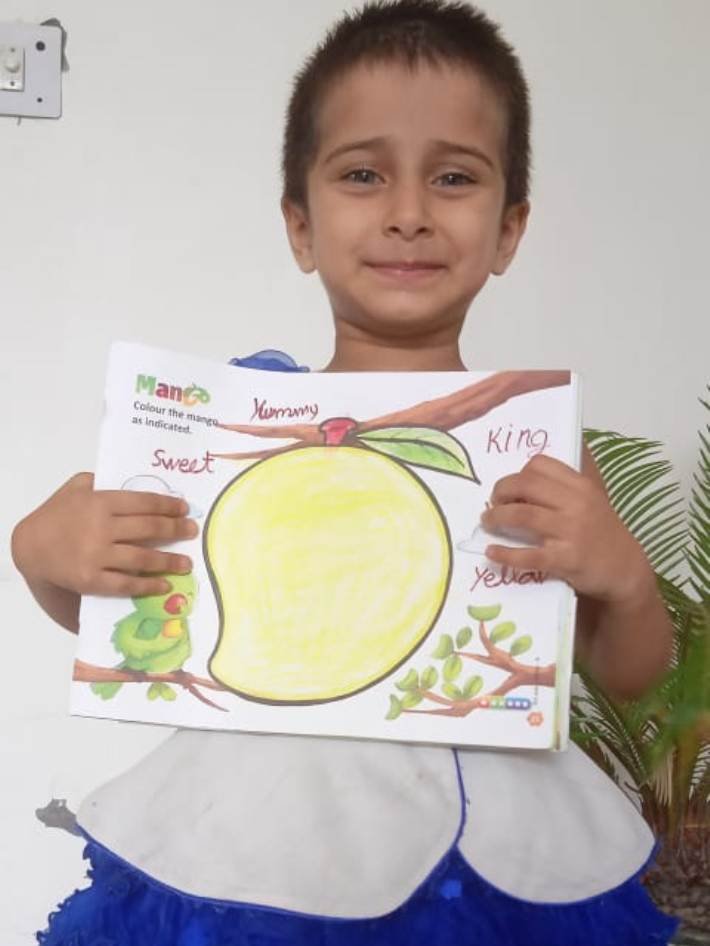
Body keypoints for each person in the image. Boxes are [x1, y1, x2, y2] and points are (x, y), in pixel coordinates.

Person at [12, 2, 679, 943]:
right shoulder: (224, 431)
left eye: (454, 177)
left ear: (508, 230)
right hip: (255, 857)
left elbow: (631, 674)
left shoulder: (540, 454)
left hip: (499, 871)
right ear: (301, 224)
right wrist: (44, 555)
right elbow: (140, 620)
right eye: (363, 174)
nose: (408, 213)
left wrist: (626, 582)